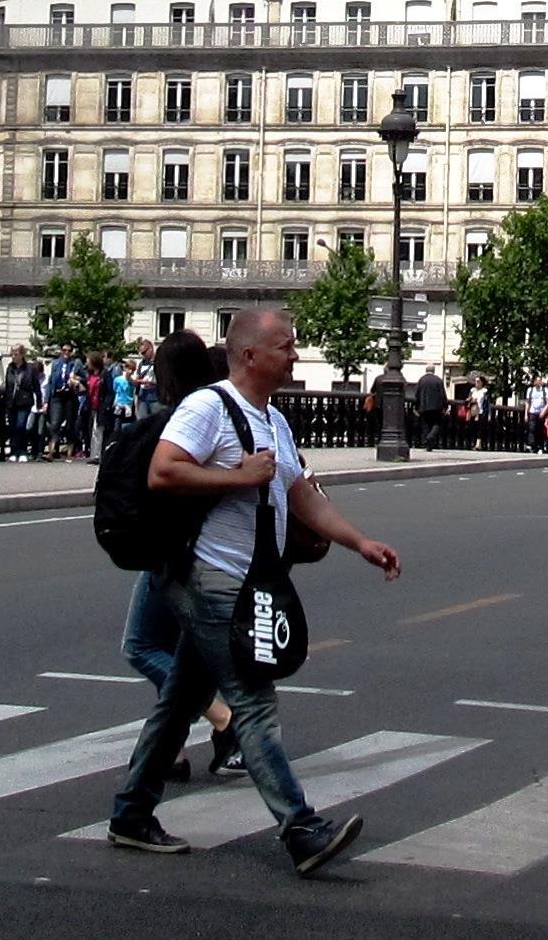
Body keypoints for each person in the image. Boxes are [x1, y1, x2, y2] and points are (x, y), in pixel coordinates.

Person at [107, 303, 404, 871]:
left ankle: (131, 814)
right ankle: (302, 829)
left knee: (181, 699)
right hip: (208, 574)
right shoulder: (208, 407)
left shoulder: (274, 420)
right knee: (253, 700)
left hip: (247, 577)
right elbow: (163, 470)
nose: (294, 355)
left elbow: (300, 495)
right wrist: (235, 476)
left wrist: (359, 542)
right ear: (249, 355)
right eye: (285, 347)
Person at [121, 329, 240, 781]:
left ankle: (225, 719)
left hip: (176, 550)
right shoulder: (225, 413)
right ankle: (167, 753)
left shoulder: (182, 421)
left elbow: (161, 481)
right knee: (181, 652)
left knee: (141, 646)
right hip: (215, 552)